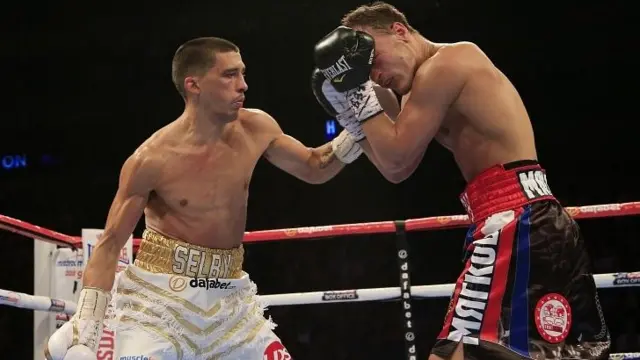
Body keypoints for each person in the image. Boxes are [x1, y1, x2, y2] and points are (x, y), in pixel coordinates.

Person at [44, 36, 389, 360]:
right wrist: (87, 326)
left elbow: (316, 167)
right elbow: (109, 244)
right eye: (229, 75)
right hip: (158, 304)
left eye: (242, 73)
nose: (243, 85)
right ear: (194, 85)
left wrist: (359, 121)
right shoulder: (151, 159)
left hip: (231, 302)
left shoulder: (256, 127)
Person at [310, 2, 611, 359]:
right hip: (515, 221)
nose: (372, 73)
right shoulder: (417, 90)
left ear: (400, 31)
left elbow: (395, 155)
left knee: (452, 354)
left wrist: (356, 92)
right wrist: (352, 112)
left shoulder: (449, 63)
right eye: (364, 69)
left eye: (372, 59)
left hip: (517, 221)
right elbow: (395, 170)